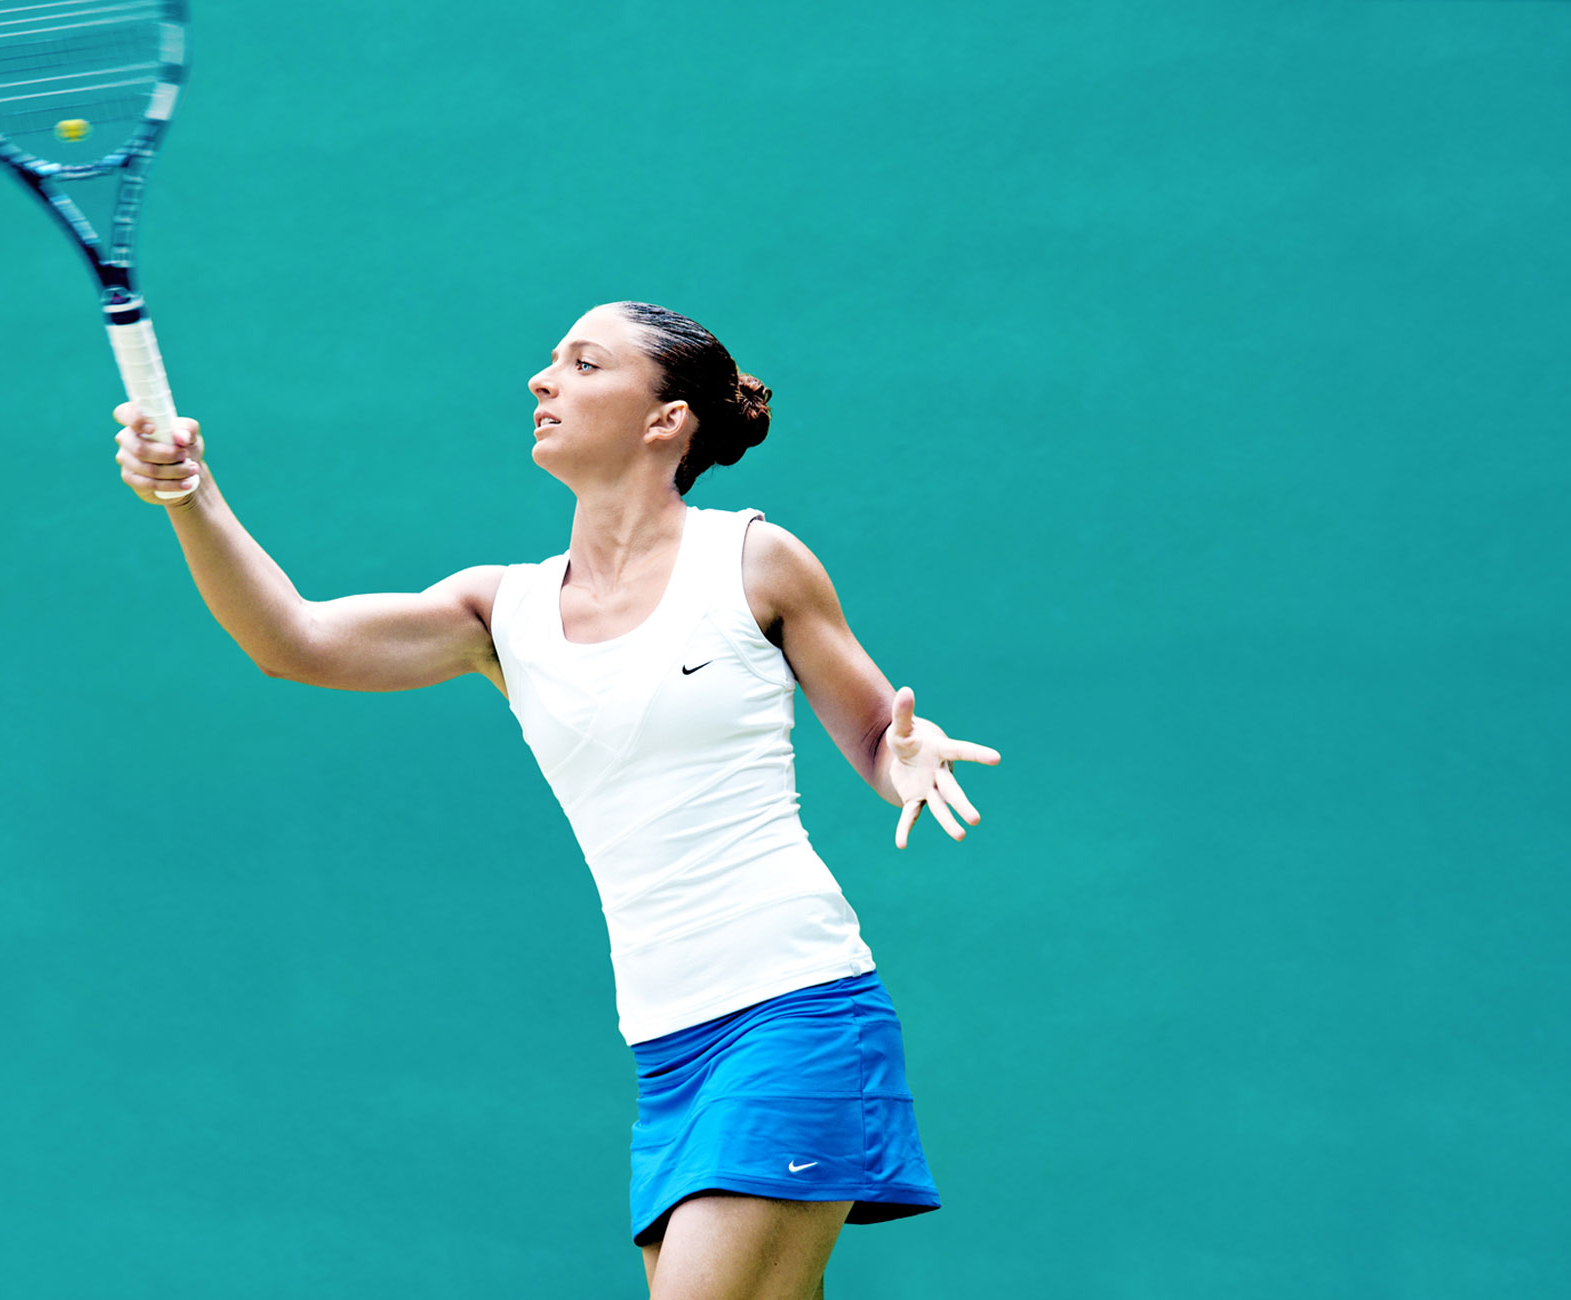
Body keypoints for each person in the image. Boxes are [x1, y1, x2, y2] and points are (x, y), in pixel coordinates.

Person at [111, 300, 1000, 1300]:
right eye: (551, 362)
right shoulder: (504, 612)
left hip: (795, 1009)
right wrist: (191, 493)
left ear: (666, 419)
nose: (542, 381)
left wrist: (905, 756)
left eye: (583, 364)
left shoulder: (754, 562)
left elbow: (879, 734)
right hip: (666, 1046)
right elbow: (293, 640)